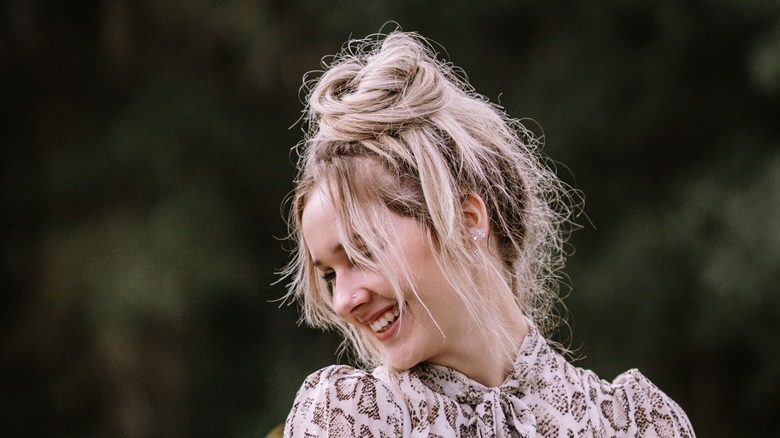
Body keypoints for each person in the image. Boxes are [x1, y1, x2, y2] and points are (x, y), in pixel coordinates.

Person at [280, 30, 695, 437]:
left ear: (467, 220)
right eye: (330, 274)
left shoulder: (639, 424)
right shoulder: (351, 418)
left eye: (362, 251)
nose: (343, 301)